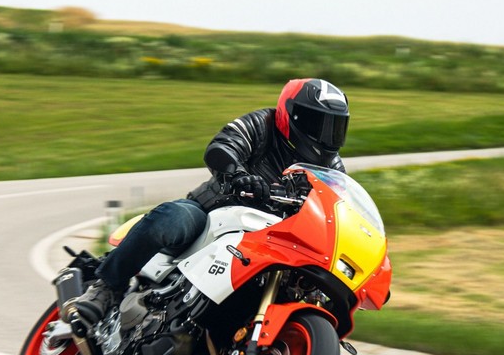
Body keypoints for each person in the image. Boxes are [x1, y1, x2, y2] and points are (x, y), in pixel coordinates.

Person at [69, 77, 350, 328]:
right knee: (174, 217)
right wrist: (238, 174)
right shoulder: (263, 125)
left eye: (335, 127)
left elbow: (337, 210)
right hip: (214, 214)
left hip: (272, 240)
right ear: (292, 116)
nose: (326, 135)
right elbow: (222, 146)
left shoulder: (333, 169)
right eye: (318, 123)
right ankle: (106, 287)